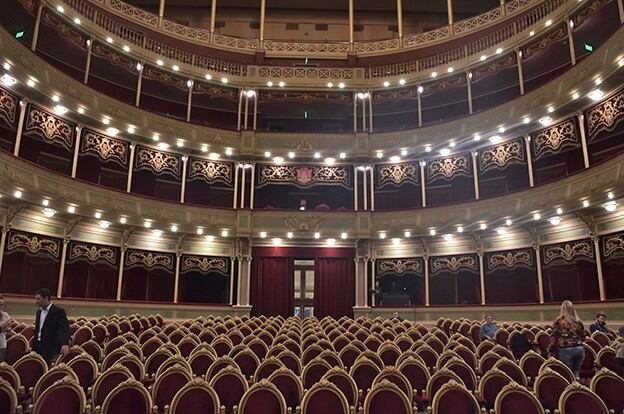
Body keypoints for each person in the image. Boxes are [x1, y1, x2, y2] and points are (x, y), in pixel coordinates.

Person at [33, 288, 70, 366]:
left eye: (38, 299)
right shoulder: (39, 312)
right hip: (38, 346)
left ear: (46, 298)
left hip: (51, 347)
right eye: (36, 299)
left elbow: (64, 329)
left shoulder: (58, 311)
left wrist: (64, 343)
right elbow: (38, 330)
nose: (36, 301)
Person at [549, 300, 585, 379]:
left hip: (565, 350)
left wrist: (550, 350)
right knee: (576, 375)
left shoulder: (559, 321)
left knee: (567, 376)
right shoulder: (579, 322)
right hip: (579, 349)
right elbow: (583, 337)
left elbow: (553, 338)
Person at [0, 295, 12, 362]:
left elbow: (10, 329)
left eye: (1, 305)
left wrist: (7, 329)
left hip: (2, 345)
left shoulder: (5, 315)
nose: (0, 307)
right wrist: (2, 327)